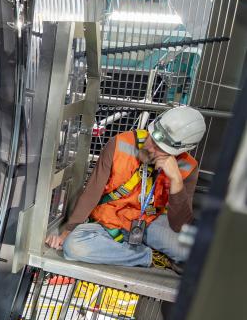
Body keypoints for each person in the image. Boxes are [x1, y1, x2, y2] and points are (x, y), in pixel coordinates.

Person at [45, 106, 206, 271]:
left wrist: (176, 181)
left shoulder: (187, 168)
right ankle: (149, 257)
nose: (151, 148)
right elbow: (92, 192)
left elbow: (180, 226)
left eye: (161, 149)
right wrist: (68, 231)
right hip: (111, 219)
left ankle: (125, 250)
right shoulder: (120, 143)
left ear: (178, 153)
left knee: (192, 253)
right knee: (74, 247)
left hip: (151, 221)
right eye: (152, 138)